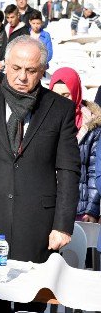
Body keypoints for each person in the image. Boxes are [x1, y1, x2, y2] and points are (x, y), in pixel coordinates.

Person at [0, 36, 80, 313]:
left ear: (42, 70)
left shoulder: (59, 108)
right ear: (6, 65)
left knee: (32, 298)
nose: (22, 77)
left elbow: (69, 169)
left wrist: (62, 224)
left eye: (31, 70)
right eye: (16, 68)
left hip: (38, 222)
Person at [49, 68, 100, 223]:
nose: (61, 101)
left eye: (66, 95)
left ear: (76, 93)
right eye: (56, 95)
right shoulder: (43, 123)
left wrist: (92, 209)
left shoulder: (92, 127)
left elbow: (94, 171)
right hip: (49, 208)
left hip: (81, 211)